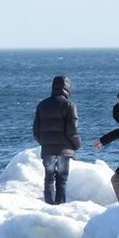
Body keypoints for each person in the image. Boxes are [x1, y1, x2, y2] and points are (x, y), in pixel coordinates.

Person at [32, 75, 81, 205]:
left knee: (48, 178)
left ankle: (49, 205)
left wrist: (44, 143)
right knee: (62, 179)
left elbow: (36, 131)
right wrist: (76, 145)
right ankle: (60, 205)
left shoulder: (42, 105)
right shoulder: (70, 105)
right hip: (64, 149)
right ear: (68, 88)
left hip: (47, 148)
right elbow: (72, 131)